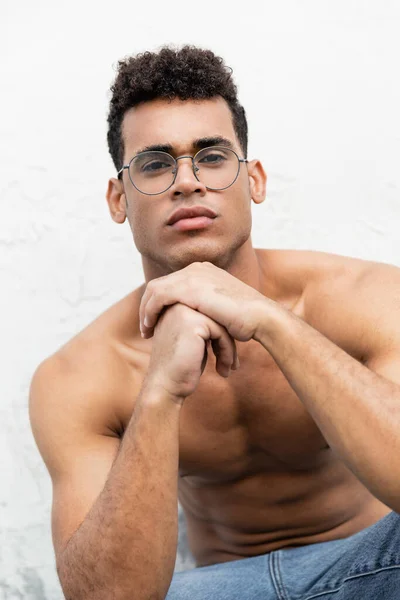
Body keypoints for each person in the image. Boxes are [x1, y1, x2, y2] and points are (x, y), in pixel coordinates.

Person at [29, 45, 400, 600]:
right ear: (118, 198)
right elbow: (108, 596)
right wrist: (159, 391)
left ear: (254, 180)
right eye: (155, 164)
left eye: (211, 156)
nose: (187, 181)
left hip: (375, 566)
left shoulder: (366, 297)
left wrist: (275, 324)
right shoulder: (78, 376)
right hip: (218, 589)